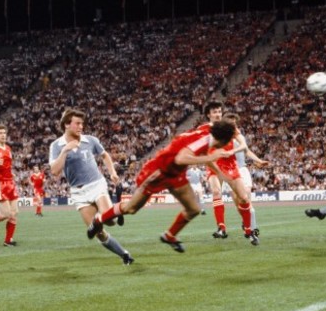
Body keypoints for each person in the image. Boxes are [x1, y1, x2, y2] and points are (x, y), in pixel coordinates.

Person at [87, 120, 238, 252]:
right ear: (223, 140)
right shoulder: (205, 141)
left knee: (194, 209)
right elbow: (181, 158)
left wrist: (218, 168)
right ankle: (98, 220)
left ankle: (169, 236)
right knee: (131, 209)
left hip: (176, 173)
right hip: (158, 171)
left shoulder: (209, 130)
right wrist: (212, 157)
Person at [49, 108, 134, 265]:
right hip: (78, 192)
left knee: (110, 221)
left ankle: (113, 211)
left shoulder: (90, 140)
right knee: (99, 233)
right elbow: (54, 171)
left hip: (96, 184)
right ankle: (124, 254)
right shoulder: (57, 145)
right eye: (77, 123)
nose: (81, 127)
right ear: (67, 124)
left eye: (82, 124)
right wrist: (65, 151)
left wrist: (113, 172)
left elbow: (105, 155)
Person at [199, 102, 263, 244]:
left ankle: (248, 230)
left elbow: (243, 144)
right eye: (214, 111)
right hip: (213, 164)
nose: (217, 114)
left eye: (219, 111)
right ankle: (221, 228)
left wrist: (232, 151)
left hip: (230, 165)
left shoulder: (229, 127)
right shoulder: (202, 129)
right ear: (208, 114)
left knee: (244, 199)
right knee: (216, 192)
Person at [219, 112, 270, 236]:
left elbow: (246, 150)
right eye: (231, 121)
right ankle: (246, 222)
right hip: (229, 171)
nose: (233, 124)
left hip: (242, 170)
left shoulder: (239, 135)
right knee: (238, 204)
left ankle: (253, 228)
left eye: (235, 122)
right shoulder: (221, 137)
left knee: (246, 198)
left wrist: (258, 160)